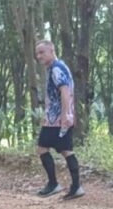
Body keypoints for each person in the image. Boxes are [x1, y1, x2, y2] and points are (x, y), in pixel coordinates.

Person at [33, 41, 84, 200]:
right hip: (56, 118)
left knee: (43, 148)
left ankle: (55, 184)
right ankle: (75, 187)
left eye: (42, 52)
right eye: (37, 53)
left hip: (57, 119)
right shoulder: (56, 67)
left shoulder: (57, 68)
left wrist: (65, 115)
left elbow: (65, 91)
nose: (39, 56)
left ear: (52, 51)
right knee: (65, 150)